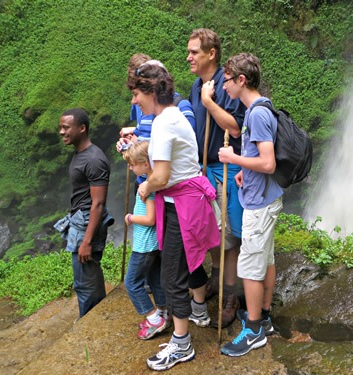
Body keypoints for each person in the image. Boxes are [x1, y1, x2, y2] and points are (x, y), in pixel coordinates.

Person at [128, 63, 220, 371]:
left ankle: (182, 346)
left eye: (136, 93)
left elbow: (163, 175)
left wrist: (145, 189)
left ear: (152, 92)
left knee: (171, 275)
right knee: (181, 268)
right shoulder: (171, 117)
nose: (133, 101)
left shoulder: (164, 124)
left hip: (180, 204)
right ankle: (190, 324)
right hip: (182, 201)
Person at [218, 53, 283, 357]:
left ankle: (254, 329)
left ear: (241, 80)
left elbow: (268, 162)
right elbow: (261, 158)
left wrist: (233, 159)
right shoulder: (261, 109)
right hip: (265, 196)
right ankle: (265, 316)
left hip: (259, 204)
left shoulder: (256, 114)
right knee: (265, 258)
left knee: (250, 266)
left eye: (227, 81)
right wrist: (246, 169)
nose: (224, 87)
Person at [186, 28, 246, 327]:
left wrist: (210, 102)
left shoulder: (226, 84)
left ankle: (231, 293)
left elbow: (235, 127)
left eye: (194, 51)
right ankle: (215, 278)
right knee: (210, 230)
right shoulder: (195, 86)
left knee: (230, 236)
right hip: (202, 168)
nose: (189, 57)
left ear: (211, 53)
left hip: (226, 168)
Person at [58, 108, 114, 318]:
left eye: (66, 127)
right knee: (89, 275)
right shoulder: (81, 154)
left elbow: (98, 203)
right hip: (81, 219)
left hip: (86, 223)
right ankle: (97, 315)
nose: (62, 132)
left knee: (84, 282)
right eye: (60, 127)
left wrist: (87, 242)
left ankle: (88, 323)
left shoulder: (93, 159)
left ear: (82, 128)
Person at [122, 141, 169, 340]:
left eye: (133, 164)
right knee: (154, 278)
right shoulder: (151, 181)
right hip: (153, 243)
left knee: (131, 282)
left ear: (145, 163)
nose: (130, 168)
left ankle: (153, 318)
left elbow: (150, 219)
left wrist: (131, 218)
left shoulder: (147, 188)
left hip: (145, 245)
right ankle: (163, 311)